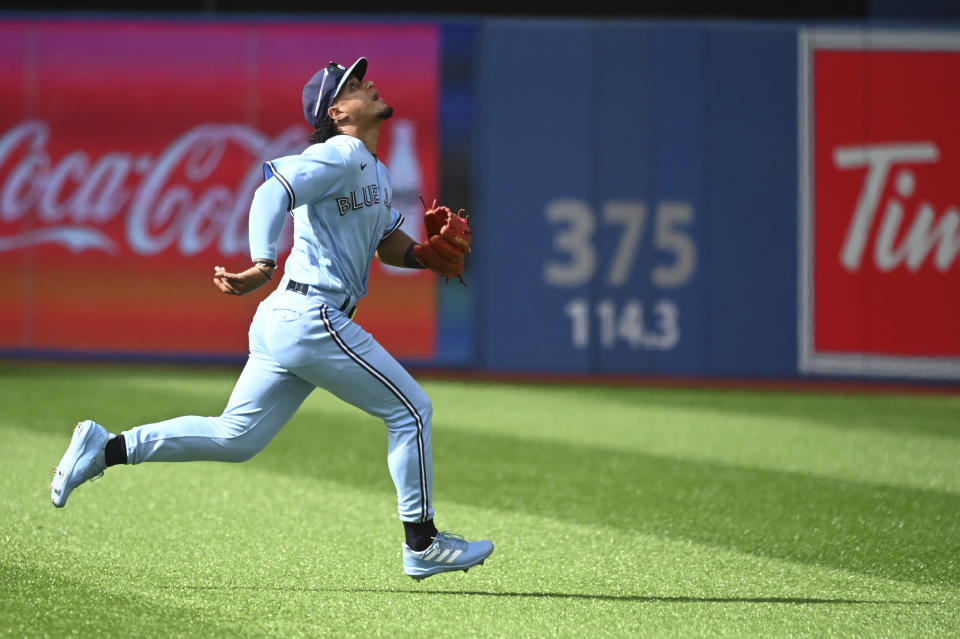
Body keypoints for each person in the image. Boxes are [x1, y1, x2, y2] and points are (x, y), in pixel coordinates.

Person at [49, 57, 493, 581]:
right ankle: (421, 542)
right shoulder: (341, 153)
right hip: (311, 313)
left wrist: (421, 255)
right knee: (411, 411)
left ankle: (107, 447)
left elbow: (384, 241)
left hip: (288, 317)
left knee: (236, 437)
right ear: (338, 111)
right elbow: (270, 191)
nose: (368, 84)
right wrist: (262, 260)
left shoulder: (372, 166)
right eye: (354, 84)